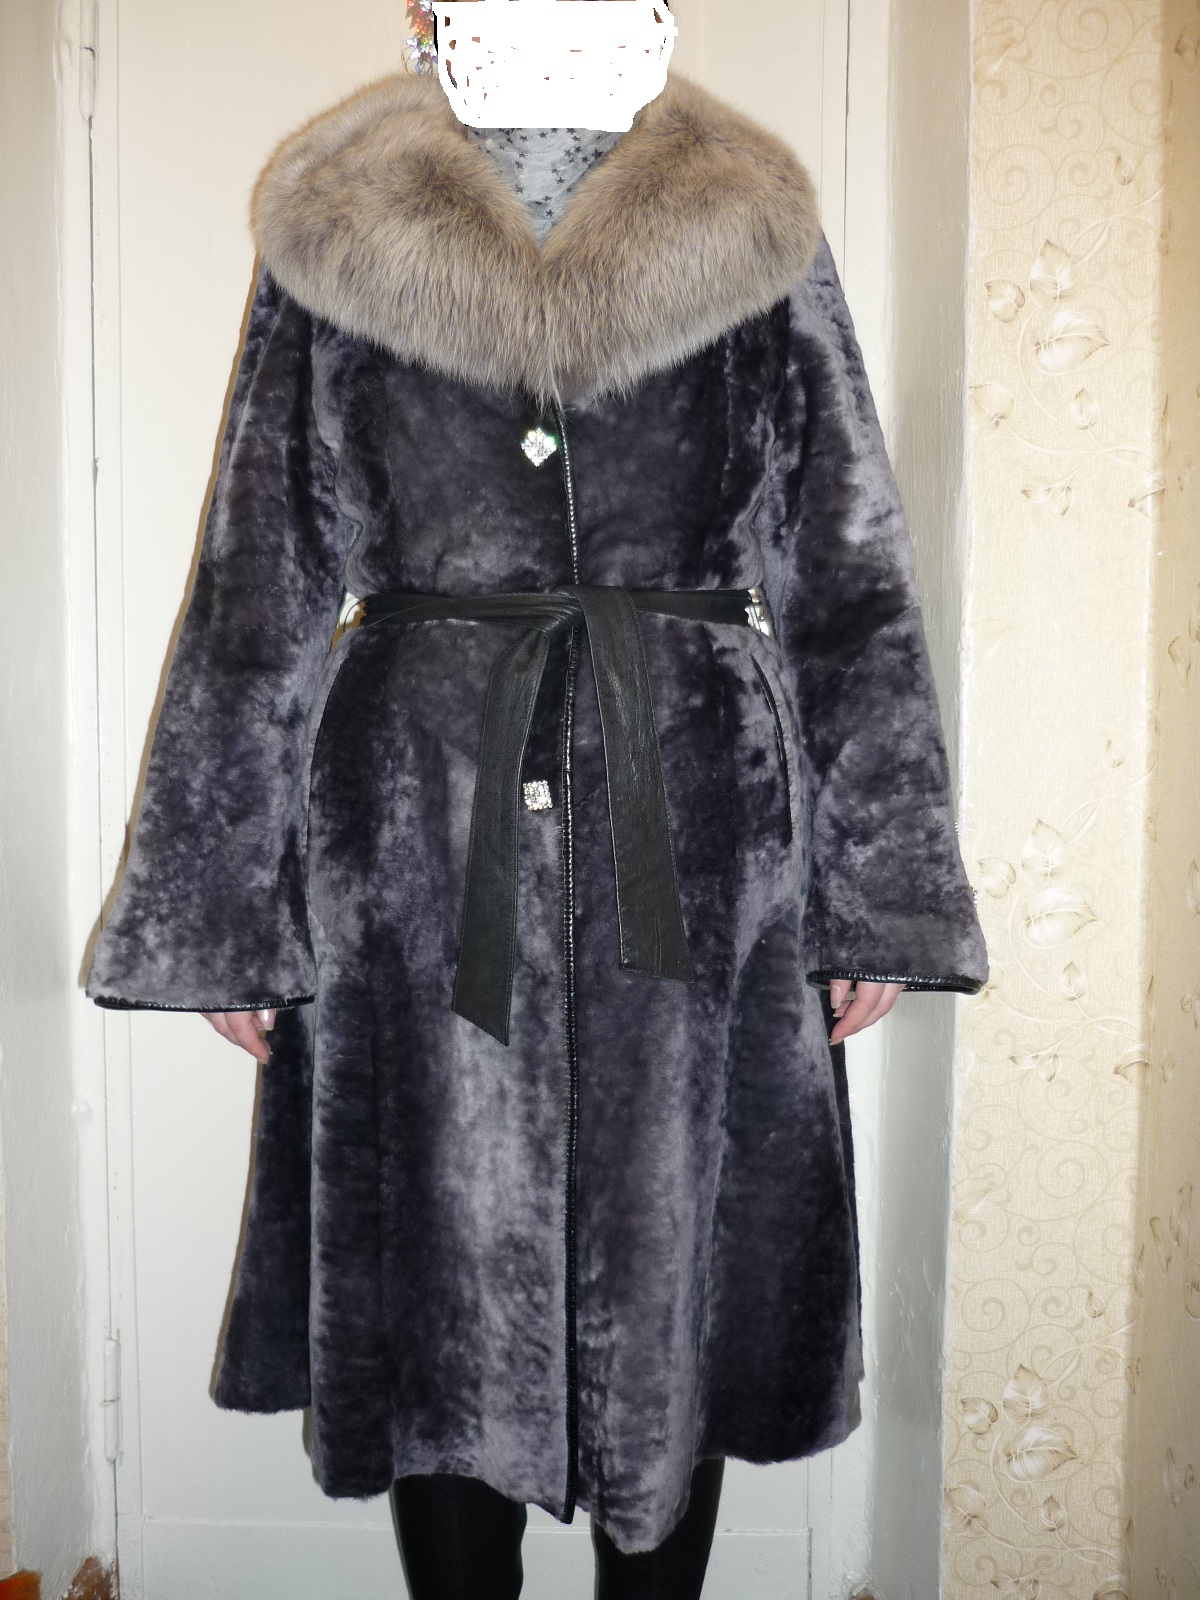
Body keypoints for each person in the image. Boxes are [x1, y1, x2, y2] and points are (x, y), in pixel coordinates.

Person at [85, 1, 989, 1593]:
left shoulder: (755, 223)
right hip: (415, 828)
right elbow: (257, 576)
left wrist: (881, 891)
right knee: (441, 1268)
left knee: (679, 1258)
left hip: (698, 819)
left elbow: (847, 573)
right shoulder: (334, 231)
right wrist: (220, 912)